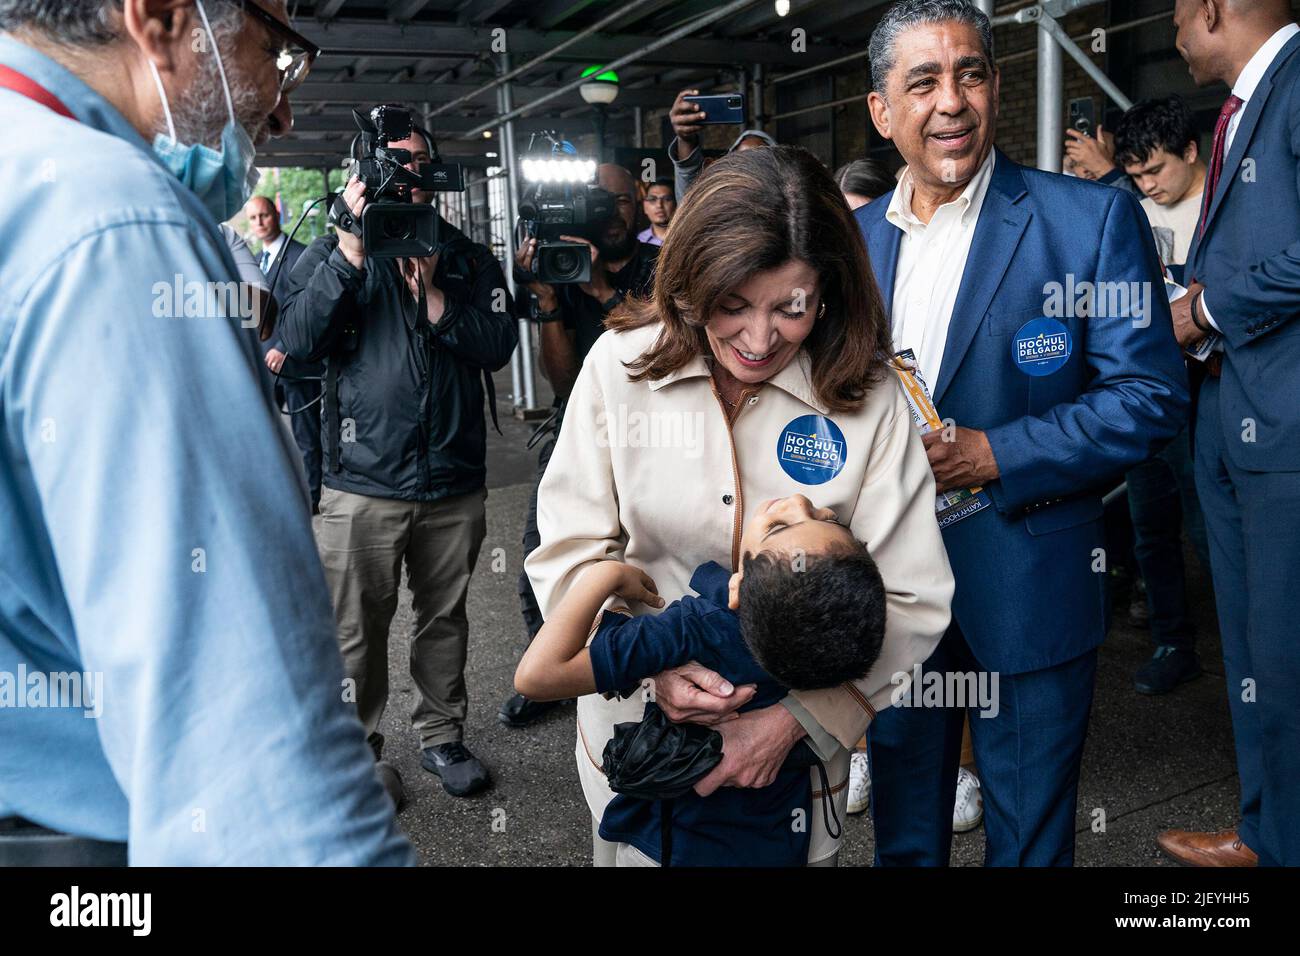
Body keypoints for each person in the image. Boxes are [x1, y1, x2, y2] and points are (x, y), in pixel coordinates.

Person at [0, 0, 412, 864]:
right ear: (158, 20)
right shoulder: (111, 223)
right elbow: (256, 774)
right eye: (276, 49)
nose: (285, 107)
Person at [525, 143, 955, 868]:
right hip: (637, 749)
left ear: (830, 293)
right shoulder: (616, 366)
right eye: (732, 306)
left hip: (789, 779)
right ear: (690, 282)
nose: (760, 340)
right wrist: (641, 662)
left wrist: (797, 722)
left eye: (793, 308)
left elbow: (912, 598)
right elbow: (568, 546)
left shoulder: (873, 399)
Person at [858, 0, 1189, 866]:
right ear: (881, 110)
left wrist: (996, 453)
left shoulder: (1086, 222)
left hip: (1030, 579)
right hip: (887, 593)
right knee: (905, 837)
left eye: (971, 74)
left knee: (1030, 845)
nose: (952, 102)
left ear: (997, 87)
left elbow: (1151, 395)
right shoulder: (844, 248)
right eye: (922, 82)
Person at [278, 107, 518, 798]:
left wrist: (437, 299)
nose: (410, 177)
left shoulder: (467, 256)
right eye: (395, 163)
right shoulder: (329, 254)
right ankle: (359, 754)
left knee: (444, 620)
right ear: (364, 172)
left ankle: (443, 737)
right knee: (356, 632)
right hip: (361, 485)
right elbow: (295, 343)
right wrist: (351, 258)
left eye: (420, 163)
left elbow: (499, 342)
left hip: (454, 479)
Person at [516, 495, 887, 867]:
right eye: (831, 518)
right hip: (775, 842)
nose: (798, 501)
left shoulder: (692, 629)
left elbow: (538, 676)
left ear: (737, 588)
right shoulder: (821, 652)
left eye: (778, 528)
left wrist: (602, 577)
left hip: (665, 845)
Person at [1159, 0, 1300, 868]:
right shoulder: (1247, 105)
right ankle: (1268, 832)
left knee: (1282, 657)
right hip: (1233, 408)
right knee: (1255, 646)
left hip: (1283, 425)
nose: (1172, 29)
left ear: (1212, 8)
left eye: (1177, 10)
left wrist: (1202, 308)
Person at [498, 163, 658, 729]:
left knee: (640, 552)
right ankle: (553, 666)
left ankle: (639, 661)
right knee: (542, 551)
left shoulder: (661, 266)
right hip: (575, 431)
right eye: (598, 201)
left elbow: (653, 356)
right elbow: (562, 382)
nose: (609, 212)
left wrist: (599, 289)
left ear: (637, 204)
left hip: (652, 434)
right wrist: (548, 300)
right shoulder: (559, 269)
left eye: (618, 200)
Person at [1111, 95, 1213, 695]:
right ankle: (1174, 643)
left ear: (1191, 151)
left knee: (1209, 530)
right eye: (1136, 175)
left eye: (1157, 170)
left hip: (1216, 395)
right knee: (1151, 527)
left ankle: (1254, 653)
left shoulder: (1224, 206)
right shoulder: (1131, 216)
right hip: (1153, 393)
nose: (1148, 185)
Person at [245, 193, 321, 511]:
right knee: (259, 430)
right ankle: (270, 494)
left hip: (295, 362)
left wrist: (284, 347)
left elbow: (311, 309)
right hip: (262, 363)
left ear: (276, 215)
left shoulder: (302, 255)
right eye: (253, 218)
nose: (260, 222)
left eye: (264, 215)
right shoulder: (250, 260)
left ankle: (312, 497)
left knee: (306, 433)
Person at [666, 86, 776, 200]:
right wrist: (685, 138)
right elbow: (689, 179)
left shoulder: (789, 209)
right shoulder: (715, 210)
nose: (750, 171)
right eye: (742, 163)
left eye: (760, 162)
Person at [637, 177, 676, 245]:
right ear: (645, 207)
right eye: (652, 199)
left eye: (666, 199)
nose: (659, 205)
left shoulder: (687, 237)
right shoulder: (639, 241)